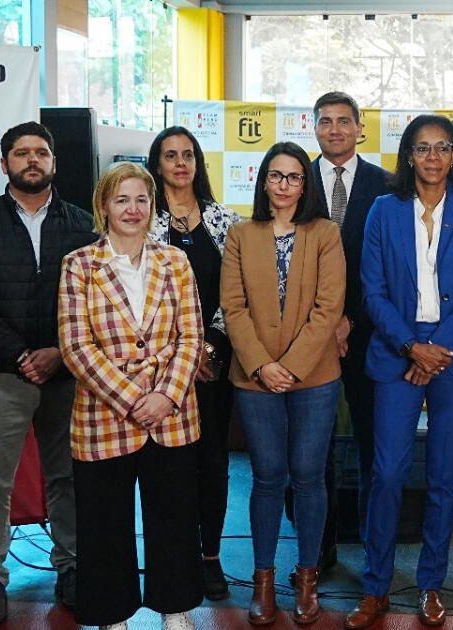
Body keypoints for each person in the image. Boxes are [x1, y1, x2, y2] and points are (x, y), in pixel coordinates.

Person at [346, 114, 453, 630]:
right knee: (386, 473)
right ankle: (376, 586)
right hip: (397, 354)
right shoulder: (383, 211)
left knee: (441, 475)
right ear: (408, 155)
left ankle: (431, 584)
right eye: (422, 148)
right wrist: (413, 347)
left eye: (442, 148)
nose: (433, 157)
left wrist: (437, 349)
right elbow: (373, 291)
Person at [0, 121, 95, 626]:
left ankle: (71, 568)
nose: (32, 160)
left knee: (68, 478)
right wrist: (22, 356)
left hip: (66, 373)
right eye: (21, 153)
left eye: (42, 153)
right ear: (4, 162)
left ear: (54, 161)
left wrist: (56, 351)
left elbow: (93, 303)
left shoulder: (82, 224)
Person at [58, 162, 204, 630]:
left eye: (141, 200)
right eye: (122, 200)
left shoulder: (175, 262)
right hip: (104, 418)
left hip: (172, 415)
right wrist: (131, 398)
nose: (132, 209)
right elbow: (76, 346)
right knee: (104, 525)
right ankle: (111, 613)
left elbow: (191, 336)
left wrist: (165, 396)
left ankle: (175, 606)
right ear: (104, 206)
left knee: (175, 518)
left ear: (152, 208)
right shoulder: (79, 264)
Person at [220, 141, 345, 626]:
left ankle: (308, 575)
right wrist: (261, 365)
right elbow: (233, 307)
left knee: (310, 477)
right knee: (268, 478)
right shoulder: (240, 234)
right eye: (276, 176)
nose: (285, 185)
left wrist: (290, 365)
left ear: (305, 184)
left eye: (294, 177)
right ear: (263, 181)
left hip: (314, 377)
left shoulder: (326, 234)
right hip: (254, 379)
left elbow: (329, 306)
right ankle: (264, 579)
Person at [147, 126, 242, 601]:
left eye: (188, 155)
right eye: (170, 155)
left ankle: (210, 557)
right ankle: (173, 554)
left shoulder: (226, 221)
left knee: (213, 462)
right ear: (157, 164)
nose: (180, 163)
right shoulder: (141, 221)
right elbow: (140, 298)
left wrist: (209, 347)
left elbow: (236, 290)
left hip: (213, 363)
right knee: (169, 463)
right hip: (158, 365)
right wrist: (180, 353)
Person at [309, 91, 391, 572]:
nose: (335, 129)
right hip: (307, 338)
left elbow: (386, 264)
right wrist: (323, 320)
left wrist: (350, 318)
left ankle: (371, 549)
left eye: (344, 121)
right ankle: (317, 549)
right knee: (312, 452)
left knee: (370, 445)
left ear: (360, 128)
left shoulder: (387, 184)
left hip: (368, 333)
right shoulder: (297, 182)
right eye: (326, 121)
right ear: (315, 128)